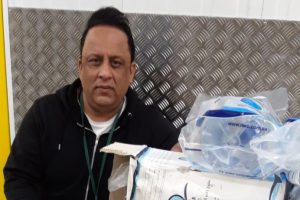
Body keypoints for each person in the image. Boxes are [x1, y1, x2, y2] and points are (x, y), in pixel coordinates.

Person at [4, 7, 180, 200]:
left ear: (131, 72)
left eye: (115, 63)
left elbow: (184, 176)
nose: (104, 73)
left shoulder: (151, 126)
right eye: (95, 61)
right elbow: (18, 178)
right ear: (80, 67)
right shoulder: (45, 114)